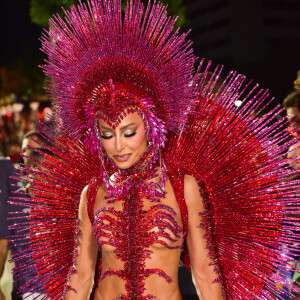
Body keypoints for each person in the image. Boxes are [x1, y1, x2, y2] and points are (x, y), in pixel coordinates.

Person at [10, 1, 300, 299]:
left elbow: (204, 271)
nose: (118, 146)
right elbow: (81, 275)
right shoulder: (92, 192)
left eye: (129, 132)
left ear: (151, 128)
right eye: (107, 135)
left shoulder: (183, 186)